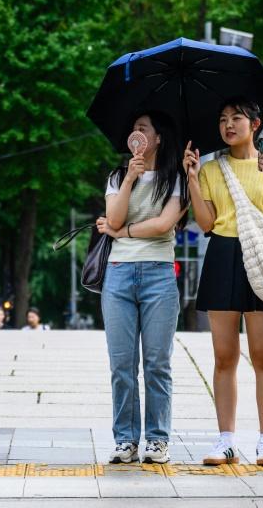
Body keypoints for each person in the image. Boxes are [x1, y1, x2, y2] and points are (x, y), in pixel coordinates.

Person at [182, 97, 263, 466]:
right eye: (222, 119)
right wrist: (193, 180)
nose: (228, 125)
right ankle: (226, 440)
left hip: (260, 255)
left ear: (255, 125)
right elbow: (206, 224)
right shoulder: (213, 168)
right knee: (224, 355)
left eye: (237, 118)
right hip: (223, 255)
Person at [95, 110, 189, 465]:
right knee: (121, 363)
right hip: (118, 275)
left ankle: (158, 439)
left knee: (156, 362)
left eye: (143, 128)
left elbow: (164, 225)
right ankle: (125, 440)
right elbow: (113, 217)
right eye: (133, 128)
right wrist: (130, 179)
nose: (136, 132)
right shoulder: (118, 176)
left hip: (159, 275)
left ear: (158, 138)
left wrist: (122, 233)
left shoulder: (174, 178)